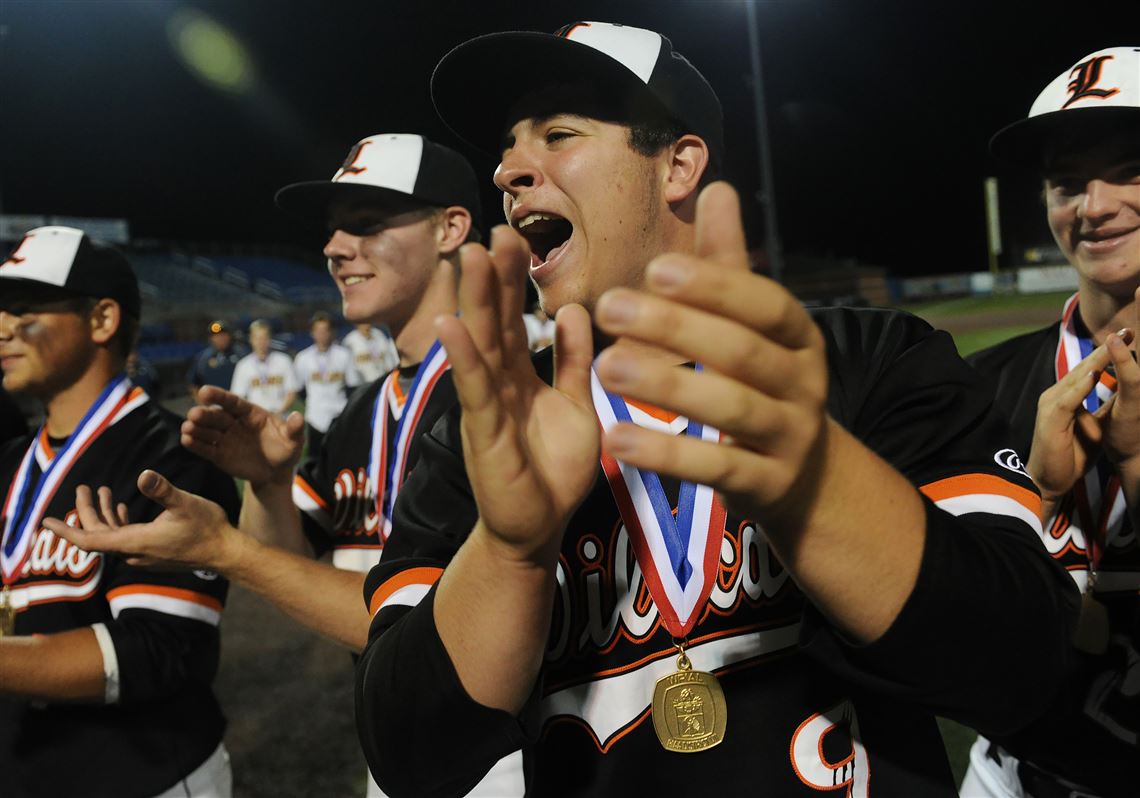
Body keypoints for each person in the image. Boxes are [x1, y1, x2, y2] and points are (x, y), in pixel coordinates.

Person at [343, 22, 1080, 797]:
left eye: (557, 134)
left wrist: (816, 482)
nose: (506, 170)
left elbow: (1026, 666)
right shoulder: (490, 422)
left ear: (679, 165)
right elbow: (407, 755)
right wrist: (510, 553)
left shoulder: (869, 359)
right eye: (507, 146)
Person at [51, 135, 524, 796]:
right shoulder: (364, 407)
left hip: (507, 757)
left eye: (365, 224)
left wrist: (227, 551)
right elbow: (291, 565)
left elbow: (426, 630)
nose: (333, 248)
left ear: (450, 227)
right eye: (332, 230)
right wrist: (270, 485)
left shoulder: (514, 388)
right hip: (397, 748)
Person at [0, 226, 239, 798]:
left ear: (103, 320)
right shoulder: (12, 460)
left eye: (25, 308)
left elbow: (152, 652)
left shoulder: (171, 461)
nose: (4, 327)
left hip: (141, 772)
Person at [961, 46, 1140, 798]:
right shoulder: (981, 385)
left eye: (1129, 168)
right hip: (1013, 778)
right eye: (1067, 181)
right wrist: (1034, 501)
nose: (1093, 206)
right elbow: (950, 635)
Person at [293, 310, 360, 454]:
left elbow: (352, 387)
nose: (322, 335)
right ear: (312, 333)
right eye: (318, 330)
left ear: (331, 332)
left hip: (339, 415)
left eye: (325, 330)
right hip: (315, 417)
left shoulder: (344, 355)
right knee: (316, 462)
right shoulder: (303, 358)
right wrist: (313, 403)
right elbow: (300, 390)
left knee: (340, 459)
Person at [229, 318, 298, 416]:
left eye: (264, 338)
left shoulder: (283, 361)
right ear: (251, 340)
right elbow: (239, 397)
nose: (261, 342)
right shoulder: (243, 366)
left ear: (270, 339)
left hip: (281, 418)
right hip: (256, 421)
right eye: (258, 338)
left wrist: (279, 412)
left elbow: (291, 392)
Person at [186, 319, 248, 397]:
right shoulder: (203, 358)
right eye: (216, 336)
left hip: (239, 402)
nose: (220, 339)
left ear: (230, 336)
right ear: (211, 338)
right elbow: (193, 384)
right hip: (214, 404)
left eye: (223, 335)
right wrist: (203, 403)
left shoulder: (242, 354)